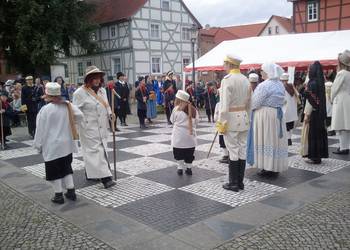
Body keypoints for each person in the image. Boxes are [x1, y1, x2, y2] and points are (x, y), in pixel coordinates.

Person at [33, 82, 83, 204]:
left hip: (52, 145)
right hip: (67, 143)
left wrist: (38, 145)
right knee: (66, 167)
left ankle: (58, 195)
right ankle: (71, 192)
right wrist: (72, 121)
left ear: (47, 96)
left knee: (54, 171)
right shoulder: (67, 105)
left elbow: (40, 130)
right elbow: (80, 116)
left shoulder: (45, 110)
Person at [73, 66, 116, 189]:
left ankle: (89, 173)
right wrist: (80, 123)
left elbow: (106, 105)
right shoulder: (79, 93)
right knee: (97, 152)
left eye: (99, 78)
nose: (97, 81)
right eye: (94, 78)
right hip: (88, 128)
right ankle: (106, 179)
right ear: (88, 79)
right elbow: (75, 111)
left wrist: (110, 113)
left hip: (102, 126)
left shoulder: (102, 91)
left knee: (98, 152)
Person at [247, 62, 288, 176]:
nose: (261, 73)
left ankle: (268, 167)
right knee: (274, 141)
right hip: (276, 115)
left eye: (262, 71)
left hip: (265, 116)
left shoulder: (264, 85)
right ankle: (274, 166)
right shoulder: (279, 84)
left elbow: (255, 103)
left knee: (266, 139)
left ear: (268, 72)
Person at [217, 54, 250, 192]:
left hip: (230, 118)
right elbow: (249, 102)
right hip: (243, 117)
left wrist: (221, 122)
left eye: (225, 63)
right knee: (242, 149)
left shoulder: (227, 80)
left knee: (233, 150)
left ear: (230, 64)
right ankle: (240, 182)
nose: (224, 66)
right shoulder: (245, 79)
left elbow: (224, 105)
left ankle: (233, 183)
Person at [303, 61, 329, 164]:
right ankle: (319, 156)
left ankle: (314, 157)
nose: (308, 71)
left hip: (314, 112)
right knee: (319, 134)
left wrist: (307, 94)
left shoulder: (312, 83)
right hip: (320, 113)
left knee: (313, 134)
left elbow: (314, 101)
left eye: (310, 70)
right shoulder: (320, 81)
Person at [170, 90, 199, 175]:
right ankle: (189, 168)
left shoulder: (176, 109)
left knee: (178, 152)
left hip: (178, 135)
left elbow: (172, 120)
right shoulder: (194, 110)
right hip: (190, 136)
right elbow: (197, 121)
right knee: (189, 152)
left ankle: (180, 167)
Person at [331, 50, 350, 155]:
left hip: (341, 100)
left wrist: (331, 98)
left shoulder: (341, 73)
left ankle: (343, 148)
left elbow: (334, 88)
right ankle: (346, 147)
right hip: (347, 99)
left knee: (341, 125)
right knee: (346, 125)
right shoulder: (349, 73)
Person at [280, 73, 299, 146]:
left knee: (285, 124)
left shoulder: (281, 87)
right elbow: (297, 95)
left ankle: (287, 139)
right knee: (290, 124)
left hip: (285, 109)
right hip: (292, 109)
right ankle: (289, 138)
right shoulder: (292, 86)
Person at [214, 89, 229, 164]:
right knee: (222, 140)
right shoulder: (218, 104)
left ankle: (229, 155)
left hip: (227, 125)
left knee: (228, 140)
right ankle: (225, 155)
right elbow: (216, 115)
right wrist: (217, 119)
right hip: (220, 125)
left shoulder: (228, 104)